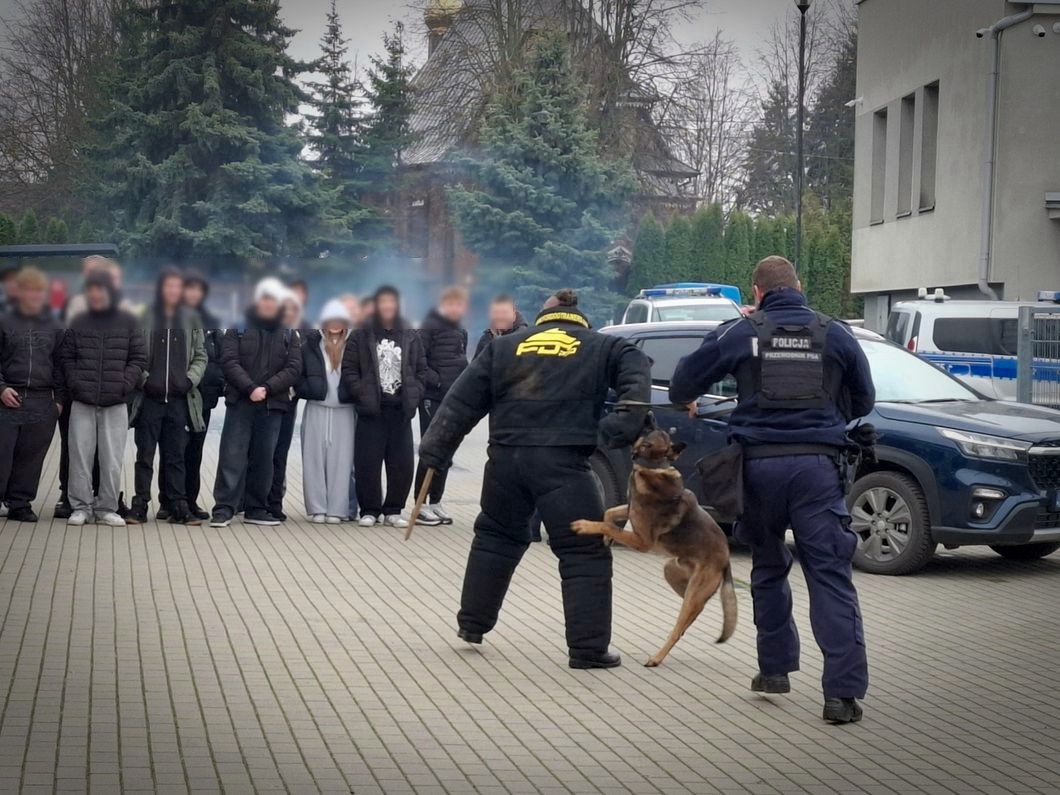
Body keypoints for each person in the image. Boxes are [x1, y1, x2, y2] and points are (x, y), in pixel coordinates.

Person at [669, 256, 876, 725]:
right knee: (830, 575)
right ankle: (842, 695)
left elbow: (683, 383)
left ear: (757, 293)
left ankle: (774, 670)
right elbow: (864, 399)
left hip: (757, 470)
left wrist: (695, 395)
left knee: (767, 565)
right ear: (798, 286)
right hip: (817, 469)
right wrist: (824, 417)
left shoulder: (739, 332)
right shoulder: (835, 333)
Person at [418, 288, 652, 669]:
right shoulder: (603, 347)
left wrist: (434, 452)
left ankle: (472, 624)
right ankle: (588, 650)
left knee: (495, 537)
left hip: (506, 461)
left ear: (543, 316)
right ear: (580, 318)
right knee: (584, 552)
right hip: (563, 462)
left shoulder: (504, 348)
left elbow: (460, 403)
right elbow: (636, 374)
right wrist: (615, 429)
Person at [210, 278, 303, 528]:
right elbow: (229, 360)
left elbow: (294, 367)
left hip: (273, 404)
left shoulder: (289, 332)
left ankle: (256, 509)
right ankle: (224, 508)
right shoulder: (238, 327)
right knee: (232, 456)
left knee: (264, 459)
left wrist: (268, 388)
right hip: (241, 402)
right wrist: (250, 388)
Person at [58, 269, 146, 527]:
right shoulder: (78, 321)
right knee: (79, 458)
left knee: (111, 460)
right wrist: (76, 383)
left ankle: (107, 508)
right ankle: (81, 508)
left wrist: (124, 383)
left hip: (115, 401)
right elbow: (66, 357)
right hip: (82, 401)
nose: (97, 294)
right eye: (92, 289)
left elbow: (139, 358)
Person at [341, 285, 427, 529]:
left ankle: (393, 509)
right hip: (372, 410)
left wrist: (415, 394)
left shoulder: (410, 334)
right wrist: (361, 392)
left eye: (392, 302)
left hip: (400, 410)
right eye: (383, 302)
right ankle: (369, 509)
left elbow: (421, 369)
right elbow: (349, 369)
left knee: (402, 464)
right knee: (367, 462)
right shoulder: (361, 334)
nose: (388, 307)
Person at [128, 266, 207, 526]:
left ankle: (178, 507)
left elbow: (201, 355)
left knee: (176, 457)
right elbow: (134, 352)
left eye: (177, 286)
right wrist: (144, 380)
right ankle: (140, 505)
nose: (173, 291)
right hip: (149, 399)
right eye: (168, 286)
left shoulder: (191, 319)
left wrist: (189, 380)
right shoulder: (144, 316)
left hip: (178, 400)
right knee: (145, 456)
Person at [0, 267, 64, 522]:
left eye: (39, 291)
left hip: (41, 401)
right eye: (29, 290)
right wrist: (1, 388)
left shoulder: (54, 325)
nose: (34, 295)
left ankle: (20, 503)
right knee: (3, 454)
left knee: (31, 457)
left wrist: (58, 402)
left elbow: (61, 364)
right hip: (7, 399)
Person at [172, 267, 225, 521]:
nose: (194, 294)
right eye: (190, 289)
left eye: (199, 290)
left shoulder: (211, 323)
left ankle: (190, 501)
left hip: (203, 399)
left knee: (195, 451)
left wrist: (218, 385)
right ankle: (170, 501)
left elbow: (219, 359)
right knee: (175, 451)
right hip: (178, 395)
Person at [414, 285, 470, 526]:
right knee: (430, 448)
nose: (455, 308)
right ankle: (420, 504)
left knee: (447, 450)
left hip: (452, 399)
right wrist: (436, 381)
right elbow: (418, 360)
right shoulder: (428, 326)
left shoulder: (460, 329)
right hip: (432, 397)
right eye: (451, 304)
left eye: (459, 305)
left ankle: (435, 501)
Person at [298, 299, 356, 523]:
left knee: (341, 462)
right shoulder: (311, 345)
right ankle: (317, 508)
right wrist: (308, 390)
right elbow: (298, 374)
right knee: (313, 459)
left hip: (345, 411)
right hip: (316, 408)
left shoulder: (353, 346)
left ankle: (337, 509)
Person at [267, 289, 307, 520]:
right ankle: (253, 499)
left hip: (289, 400)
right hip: (269, 398)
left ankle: (275, 502)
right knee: (263, 452)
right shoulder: (272, 332)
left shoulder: (304, 335)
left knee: (280, 452)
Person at [473, 294, 527, 359]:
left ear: (514, 314)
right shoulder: (486, 339)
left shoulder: (524, 339)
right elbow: (476, 364)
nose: (500, 317)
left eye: (504, 312)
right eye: (496, 312)